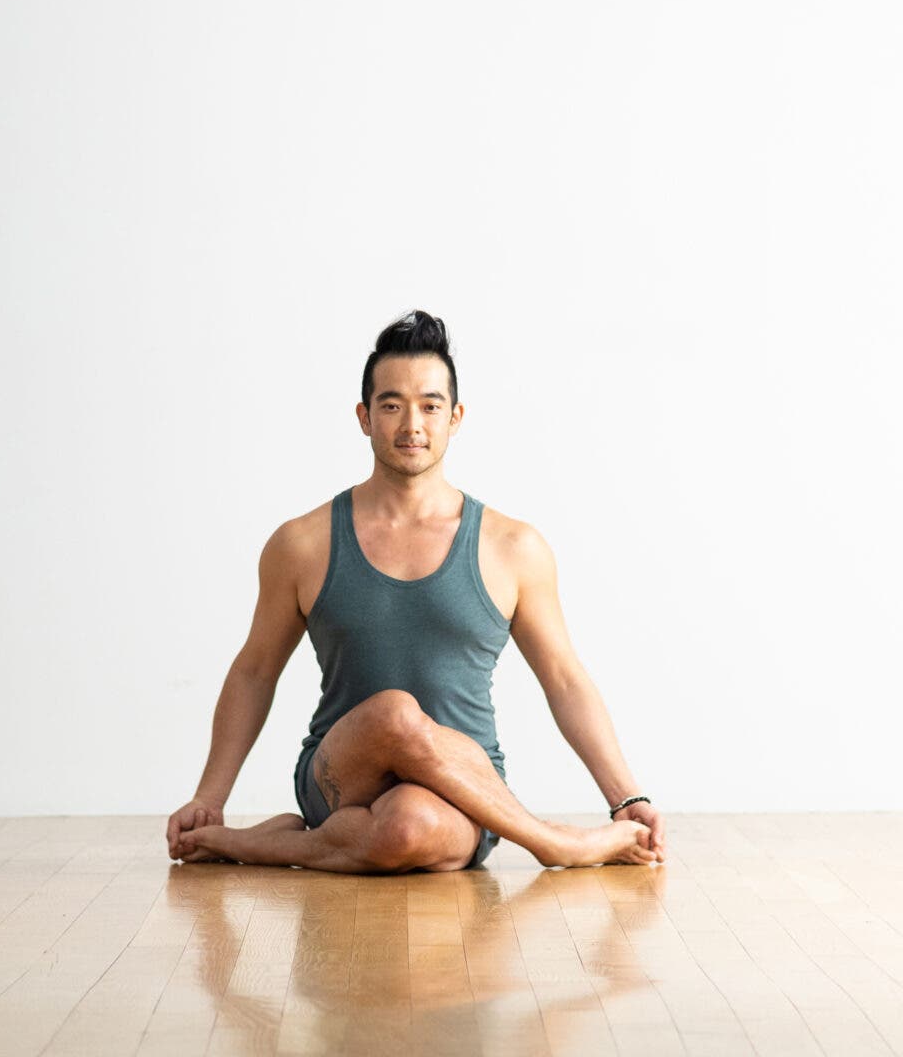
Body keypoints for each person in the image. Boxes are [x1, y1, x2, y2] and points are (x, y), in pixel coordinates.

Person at [166, 310, 665, 873]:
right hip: (339, 775)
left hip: (468, 794)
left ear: (455, 418)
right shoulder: (301, 544)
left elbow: (565, 678)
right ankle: (555, 843)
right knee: (395, 716)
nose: (412, 424)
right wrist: (210, 799)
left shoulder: (512, 546)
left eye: (429, 405)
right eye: (391, 404)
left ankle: (246, 846)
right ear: (364, 417)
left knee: (402, 829)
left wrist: (626, 798)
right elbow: (255, 671)